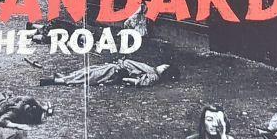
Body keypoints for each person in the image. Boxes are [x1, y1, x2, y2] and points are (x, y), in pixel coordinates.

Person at [40, 58, 180, 88]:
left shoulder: (154, 76)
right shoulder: (153, 70)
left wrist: (124, 78)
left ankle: (58, 81)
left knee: (90, 76)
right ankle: (67, 77)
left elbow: (139, 82)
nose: (162, 64)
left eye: (165, 66)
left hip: (115, 71)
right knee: (89, 70)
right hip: (115, 66)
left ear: (165, 70)